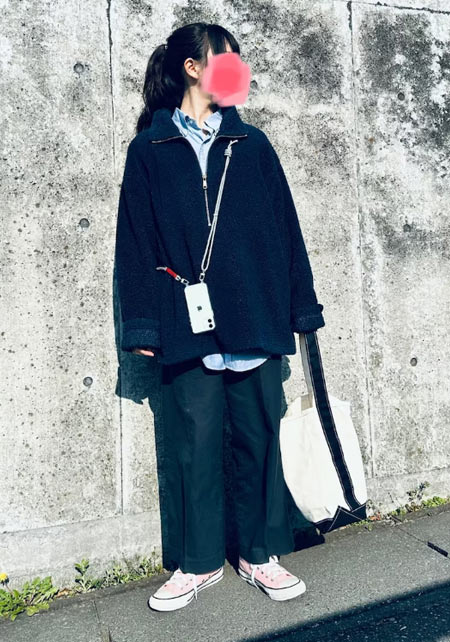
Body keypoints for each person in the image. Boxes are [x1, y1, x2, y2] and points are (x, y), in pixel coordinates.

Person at [114, 22, 325, 613]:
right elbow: (135, 243)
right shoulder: (150, 149)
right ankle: (198, 562)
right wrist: (143, 327)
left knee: (259, 438)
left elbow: (287, 231)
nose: (240, 72)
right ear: (193, 67)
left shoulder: (251, 144)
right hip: (184, 317)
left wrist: (302, 308)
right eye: (228, 61)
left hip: (256, 312)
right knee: (193, 444)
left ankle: (260, 553)